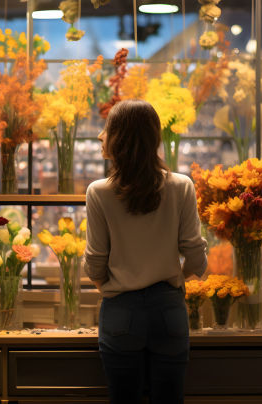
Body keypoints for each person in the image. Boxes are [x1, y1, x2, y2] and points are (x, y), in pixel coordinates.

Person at [84, 99, 208, 404]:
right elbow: (196, 259)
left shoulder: (99, 192)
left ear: (120, 138)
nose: (101, 136)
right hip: (169, 310)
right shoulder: (182, 186)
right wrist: (172, 280)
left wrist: (111, 288)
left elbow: (94, 264)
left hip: (120, 311)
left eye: (107, 128)